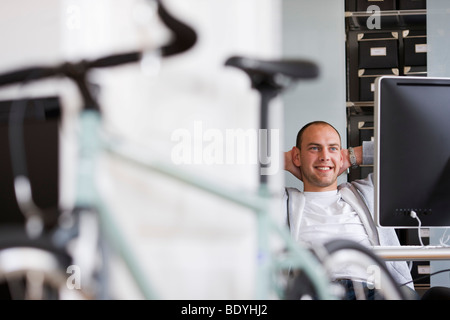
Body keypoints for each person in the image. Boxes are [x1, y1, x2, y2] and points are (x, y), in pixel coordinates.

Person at [282, 120, 416, 300]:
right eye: (314, 148)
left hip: (375, 291)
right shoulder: (281, 201)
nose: (325, 156)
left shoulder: (368, 192)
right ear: (297, 156)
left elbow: (413, 149)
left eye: (332, 148)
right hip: (317, 291)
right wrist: (283, 160)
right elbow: (236, 163)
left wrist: (353, 156)